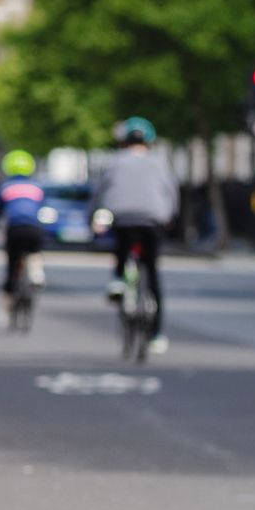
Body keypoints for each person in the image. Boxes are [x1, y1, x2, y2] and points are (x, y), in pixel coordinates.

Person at [90, 117, 180, 354]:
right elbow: (171, 193)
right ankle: (156, 334)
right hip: (152, 219)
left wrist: (94, 217)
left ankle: (118, 279)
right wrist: (170, 217)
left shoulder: (114, 162)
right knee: (151, 272)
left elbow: (100, 193)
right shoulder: (159, 162)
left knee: (121, 246)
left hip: (122, 218)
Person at [0, 149, 47, 326]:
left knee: (11, 268)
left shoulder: (4, 187)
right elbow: (43, 208)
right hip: (34, 228)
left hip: (14, 228)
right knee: (35, 250)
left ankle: (5, 310)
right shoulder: (37, 187)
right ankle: (36, 271)